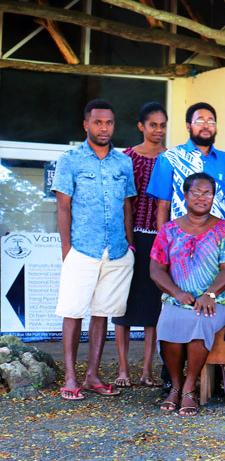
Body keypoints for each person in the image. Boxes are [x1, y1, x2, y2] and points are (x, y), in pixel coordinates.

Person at [52, 99, 136, 400]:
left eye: (109, 122)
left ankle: (92, 375)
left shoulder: (123, 162)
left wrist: (129, 245)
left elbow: (128, 205)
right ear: (86, 124)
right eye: (98, 122)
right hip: (82, 248)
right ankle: (71, 377)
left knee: (102, 313)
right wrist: (66, 249)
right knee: (73, 311)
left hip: (116, 250)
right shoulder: (70, 160)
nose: (104, 128)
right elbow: (63, 207)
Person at [150, 172, 225, 416]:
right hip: (179, 298)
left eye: (208, 193)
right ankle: (175, 387)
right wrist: (178, 293)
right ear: (184, 195)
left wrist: (209, 294)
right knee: (169, 322)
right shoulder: (168, 230)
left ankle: (190, 389)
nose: (202, 198)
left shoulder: (224, 230)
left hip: (218, 299)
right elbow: (156, 270)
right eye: (196, 192)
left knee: (200, 320)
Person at [113, 102, 167, 389]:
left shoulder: (171, 159)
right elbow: (122, 203)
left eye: (162, 125)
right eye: (153, 125)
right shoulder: (126, 158)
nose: (158, 130)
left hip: (160, 239)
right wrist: (127, 240)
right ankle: (123, 370)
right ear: (141, 126)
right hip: (128, 237)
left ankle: (147, 370)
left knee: (152, 307)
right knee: (122, 303)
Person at [146, 102, 225, 228]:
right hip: (181, 240)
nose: (206, 126)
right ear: (188, 126)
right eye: (200, 121)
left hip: (220, 241)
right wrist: (163, 242)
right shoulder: (170, 158)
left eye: (211, 122)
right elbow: (163, 205)